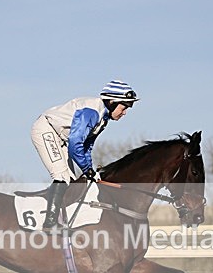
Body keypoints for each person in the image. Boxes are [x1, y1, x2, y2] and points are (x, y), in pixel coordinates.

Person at [31, 80, 139, 230]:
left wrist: (90, 171)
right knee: (61, 177)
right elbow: (75, 145)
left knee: (71, 181)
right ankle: (49, 224)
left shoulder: (103, 119)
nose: (125, 112)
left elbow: (86, 147)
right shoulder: (91, 112)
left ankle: (63, 221)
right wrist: (87, 170)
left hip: (62, 138)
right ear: (113, 102)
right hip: (47, 130)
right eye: (124, 107)